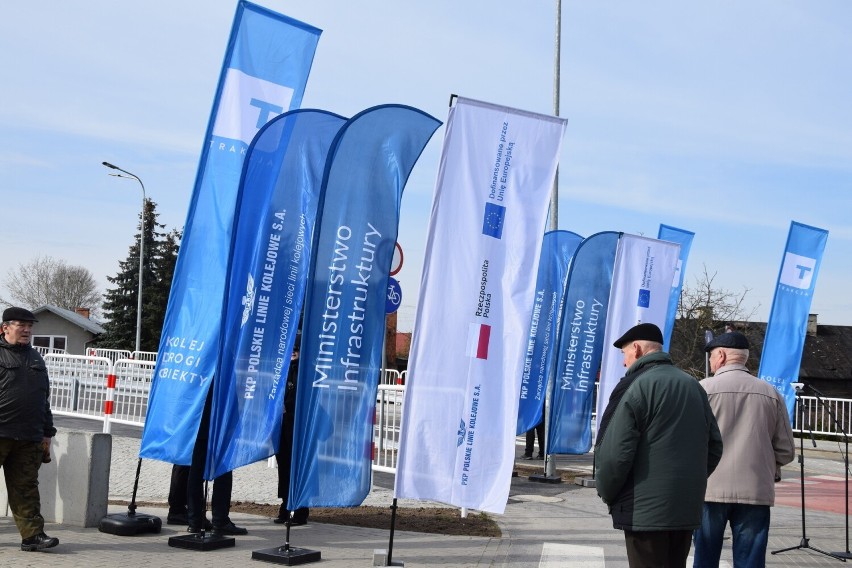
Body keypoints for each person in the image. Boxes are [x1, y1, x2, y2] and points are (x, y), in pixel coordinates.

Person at [595, 322, 723, 568]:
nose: (624, 362)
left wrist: (607, 491)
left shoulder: (635, 386)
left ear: (637, 349)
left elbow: (615, 455)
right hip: (685, 508)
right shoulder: (693, 386)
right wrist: (687, 483)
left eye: (624, 354)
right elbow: (714, 447)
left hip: (644, 511)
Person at [693, 331, 795, 567]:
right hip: (756, 489)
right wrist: (768, 467)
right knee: (750, 560)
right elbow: (786, 449)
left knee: (705, 558)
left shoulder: (702, 389)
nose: (710, 362)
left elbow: (687, 441)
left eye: (710, 357)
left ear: (720, 355)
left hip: (709, 488)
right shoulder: (771, 393)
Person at [0, 307, 60, 552]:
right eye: (21, 325)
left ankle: (33, 536)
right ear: (5, 328)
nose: (27, 330)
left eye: (30, 326)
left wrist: (47, 432)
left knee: (26, 488)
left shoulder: (36, 358)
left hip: (28, 436)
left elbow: (43, 397)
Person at [185, 389, 247, 536]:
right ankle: (220, 521)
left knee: (195, 472)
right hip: (219, 421)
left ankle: (195, 521)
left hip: (197, 419)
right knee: (223, 472)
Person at [274, 337, 309, 525]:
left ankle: (300, 510)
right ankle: (286, 505)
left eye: (297, 348)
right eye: (291, 348)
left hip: (298, 426)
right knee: (285, 467)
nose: (293, 351)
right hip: (284, 426)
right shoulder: (283, 370)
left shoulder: (306, 371)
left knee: (297, 468)